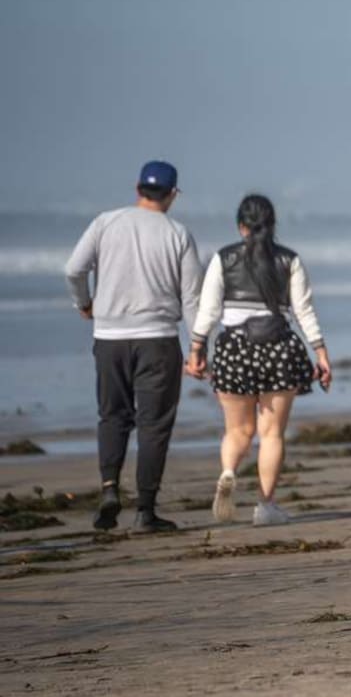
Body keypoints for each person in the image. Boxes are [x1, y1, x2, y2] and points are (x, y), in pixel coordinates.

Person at [64, 160, 203, 532]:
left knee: (112, 416)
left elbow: (73, 269)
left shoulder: (105, 222)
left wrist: (84, 303)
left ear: (138, 188)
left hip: (110, 338)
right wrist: (198, 347)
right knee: (154, 425)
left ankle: (110, 487)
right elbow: (192, 297)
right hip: (158, 339)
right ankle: (145, 510)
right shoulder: (178, 233)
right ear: (172, 194)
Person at [186, 194, 333, 526]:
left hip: (234, 350)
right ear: (272, 225)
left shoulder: (223, 258)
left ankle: (228, 471)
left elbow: (208, 311)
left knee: (237, 431)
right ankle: (265, 507)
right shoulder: (289, 260)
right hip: (278, 349)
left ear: (241, 227)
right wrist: (321, 353)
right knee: (271, 434)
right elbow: (304, 311)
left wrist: (196, 350)